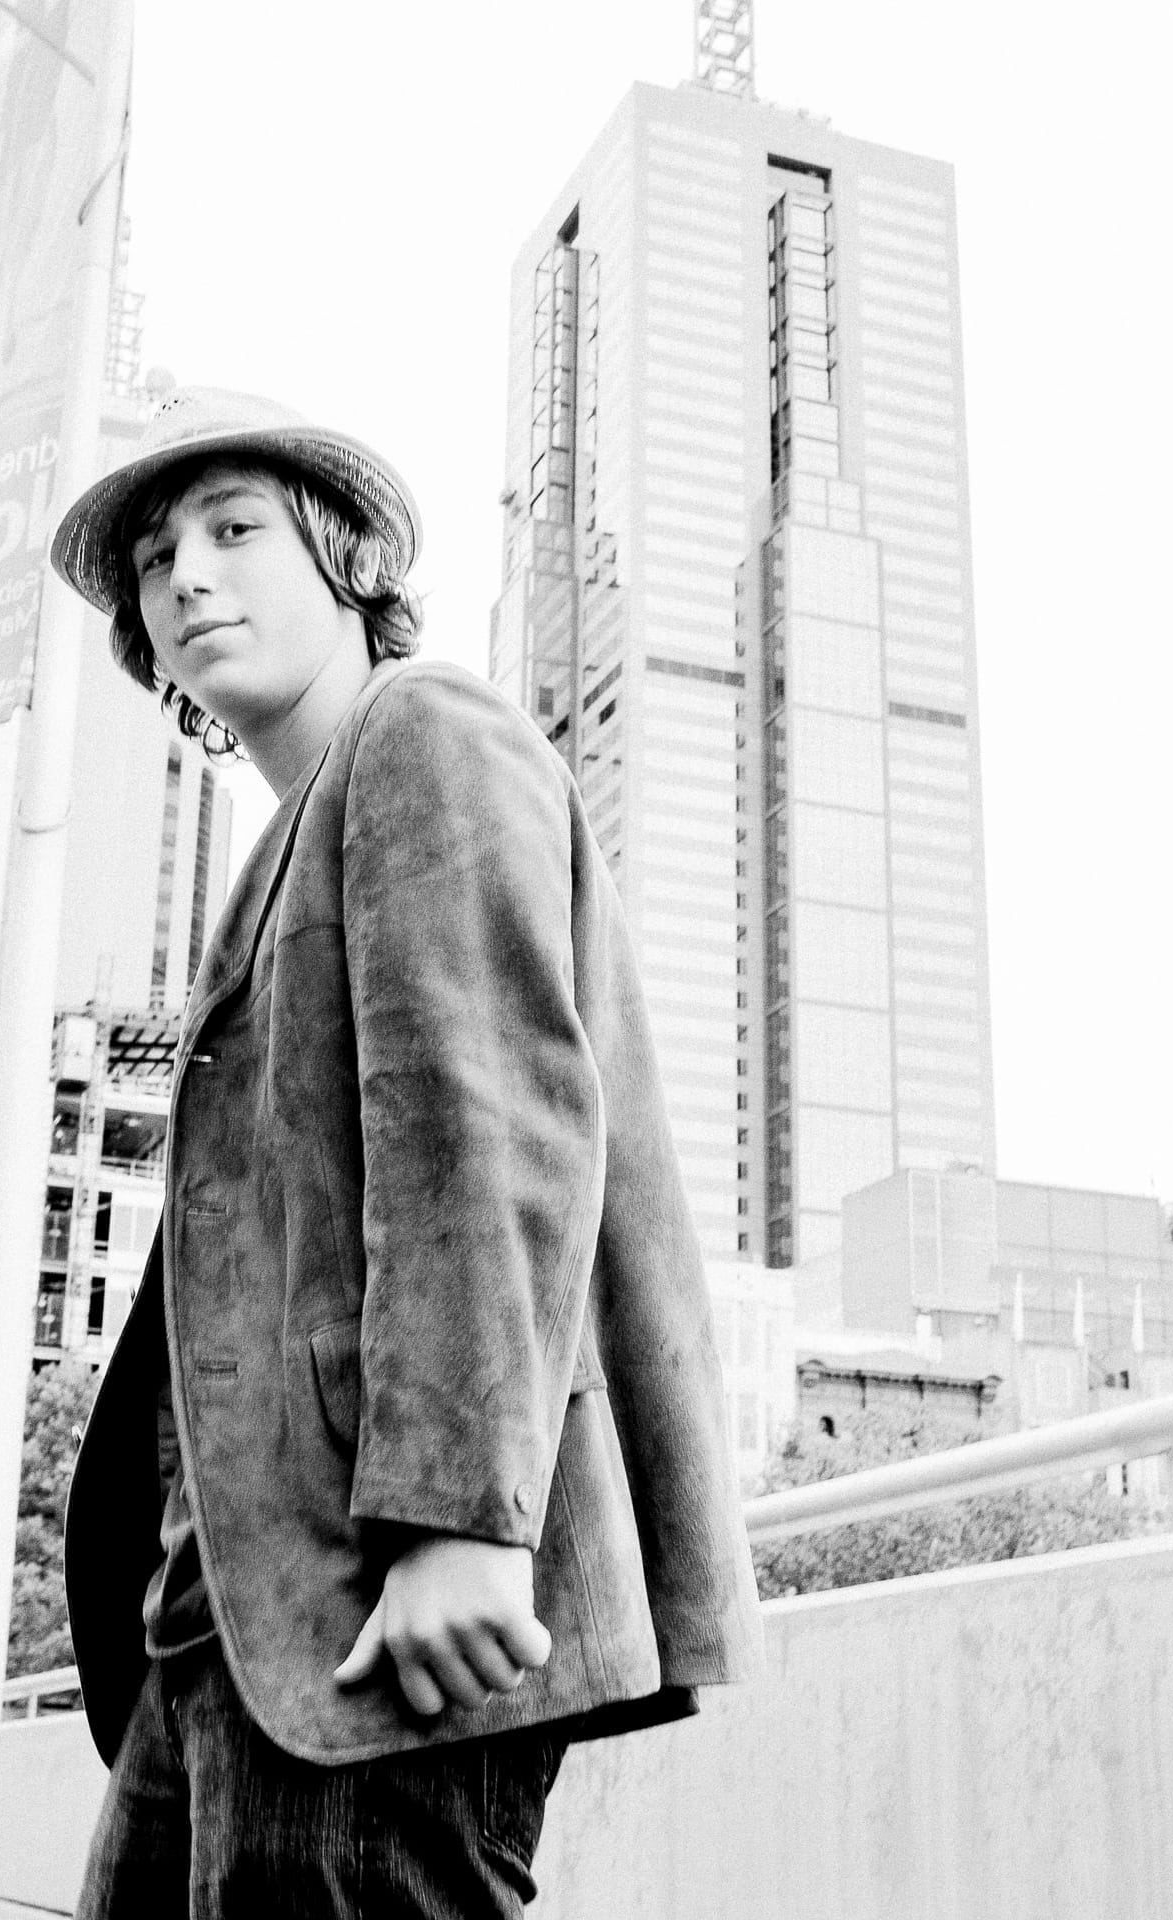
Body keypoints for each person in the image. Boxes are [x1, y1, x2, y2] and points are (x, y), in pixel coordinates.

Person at [51, 385, 761, 1918]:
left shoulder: (422, 731)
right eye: (158, 561)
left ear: (350, 564)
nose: (188, 577)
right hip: (226, 1625)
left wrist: (458, 1518)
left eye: (236, 531)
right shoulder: (287, 838)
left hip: (378, 1607)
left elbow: (484, 1124)